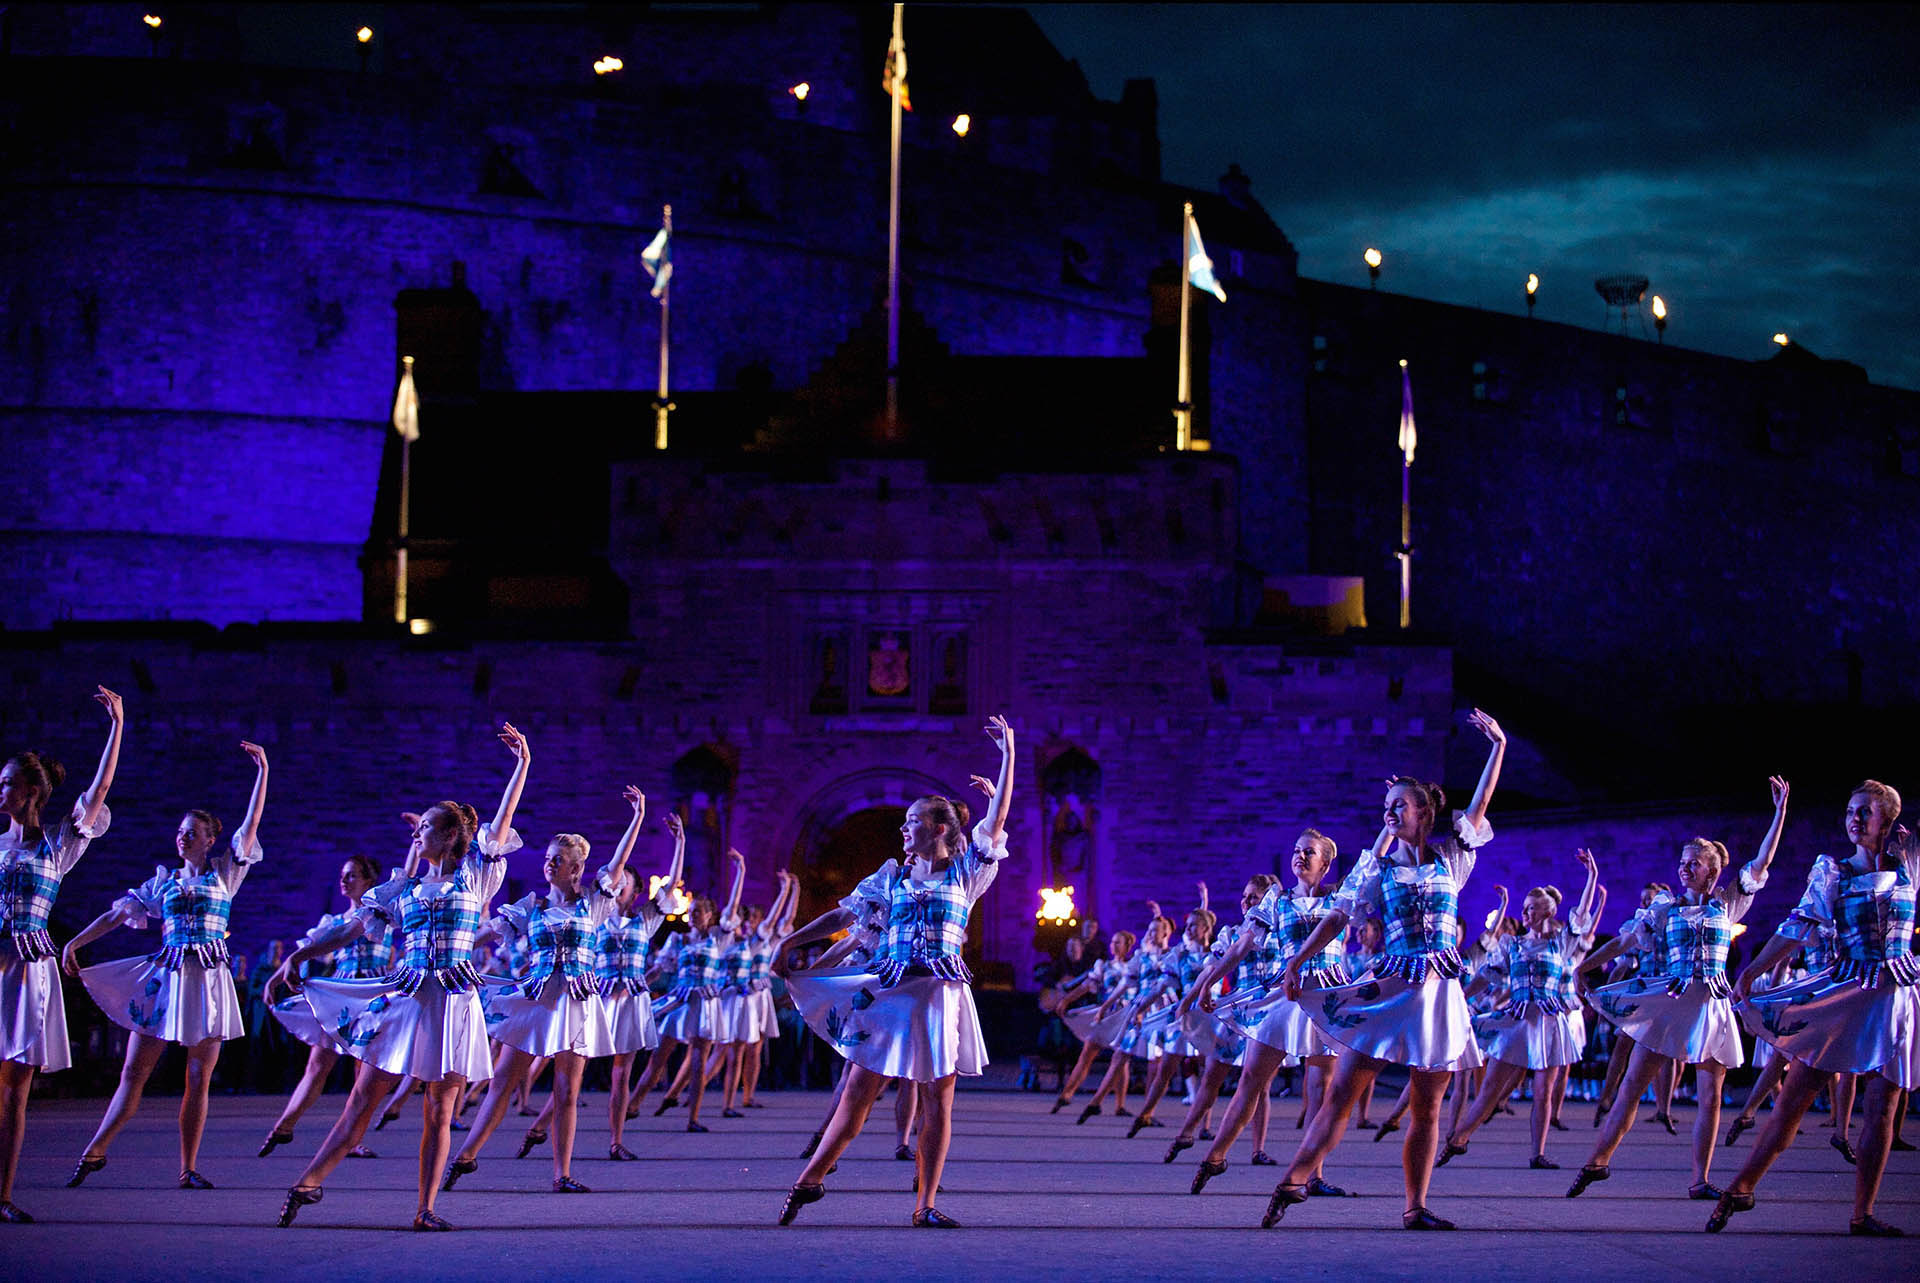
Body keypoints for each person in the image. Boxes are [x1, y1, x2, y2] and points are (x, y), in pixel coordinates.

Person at [266, 723, 529, 1231]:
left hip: (453, 1002)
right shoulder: (400, 888)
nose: (415, 835)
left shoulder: (476, 874)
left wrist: (521, 765)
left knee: (439, 1106)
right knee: (364, 1095)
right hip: (408, 998)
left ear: (450, 836)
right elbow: (349, 932)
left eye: (425, 828)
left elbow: (501, 823)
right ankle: (310, 1181)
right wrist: (298, 957)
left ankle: (425, 1207)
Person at [1257, 709, 1506, 1231]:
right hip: (1389, 986)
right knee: (1342, 1092)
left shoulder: (1451, 860)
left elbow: (1480, 805)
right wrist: (1298, 961)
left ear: (1422, 812)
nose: (1389, 813)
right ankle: (1294, 1180)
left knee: (1428, 1107)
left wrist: (1496, 747)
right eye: (1385, 807)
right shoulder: (1376, 868)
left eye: (1398, 806)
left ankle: (1415, 1206)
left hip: (1439, 993)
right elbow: (1337, 916)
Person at [774, 715, 1015, 1227]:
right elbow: (844, 915)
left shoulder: (967, 872)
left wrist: (1008, 755)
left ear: (940, 828)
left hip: (940, 996)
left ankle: (924, 1202)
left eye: (911, 822)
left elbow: (994, 824)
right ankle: (810, 1179)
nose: (902, 829)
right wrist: (792, 940)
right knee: (859, 1093)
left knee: (938, 1099)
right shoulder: (892, 877)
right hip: (892, 993)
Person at [1711, 780, 1917, 1237]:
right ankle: (1741, 1186)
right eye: (1850, 810)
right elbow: (1796, 924)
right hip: (1846, 995)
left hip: (1897, 995)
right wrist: (1754, 970)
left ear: (1888, 818)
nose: (1855, 818)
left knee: (1882, 1108)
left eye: (1865, 810)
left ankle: (1862, 1213)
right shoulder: (1833, 872)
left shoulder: (1909, 864)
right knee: (1794, 1098)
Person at [64, 739, 269, 1191]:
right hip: (168, 979)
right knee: (134, 1072)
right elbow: (117, 914)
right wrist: (76, 940)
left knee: (198, 1078)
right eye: (180, 832)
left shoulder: (225, 874)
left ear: (210, 839)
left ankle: (188, 1166)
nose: (183, 837)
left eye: (192, 833)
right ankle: (94, 1149)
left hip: (208, 981)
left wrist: (262, 772)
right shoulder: (164, 883)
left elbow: (251, 822)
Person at [1569, 780, 1789, 1202]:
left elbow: (1761, 863)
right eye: (1683, 861)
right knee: (1633, 1084)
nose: (1685, 868)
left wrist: (1778, 814)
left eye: (1694, 863)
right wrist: (1587, 964)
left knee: (1711, 1095)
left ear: (1713, 870)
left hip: (1710, 1005)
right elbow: (1625, 941)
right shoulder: (1664, 909)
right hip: (1670, 1002)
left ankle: (1699, 1179)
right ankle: (1597, 1161)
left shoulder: (1727, 904)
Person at [442, 786, 648, 1192]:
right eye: (547, 859)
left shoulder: (595, 903)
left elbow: (619, 863)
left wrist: (637, 818)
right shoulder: (531, 906)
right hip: (535, 1000)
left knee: (567, 1091)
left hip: (576, 1003)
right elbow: (487, 931)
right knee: (503, 1083)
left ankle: (562, 1173)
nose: (549, 865)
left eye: (558, 860)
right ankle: (465, 1156)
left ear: (576, 868)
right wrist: (454, 945)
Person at [0, 687, 123, 1223]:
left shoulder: (57, 845)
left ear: (31, 790)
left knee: (15, 1089)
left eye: (7, 783)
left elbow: (99, 790)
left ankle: (3, 1195)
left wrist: (117, 726)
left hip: (28, 971)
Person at [1182, 833, 1353, 1195]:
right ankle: (1215, 1157)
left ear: (1325, 863)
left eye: (1309, 852)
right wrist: (1209, 981)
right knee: (1251, 1081)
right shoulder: (1278, 899)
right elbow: (1243, 944)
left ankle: (1313, 1174)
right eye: (1296, 850)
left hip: (1327, 995)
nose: (1300, 856)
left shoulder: (1339, 897)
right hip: (1285, 995)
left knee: (1320, 1090)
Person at [1438, 851, 1601, 1170]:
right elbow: (1488, 975)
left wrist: (1591, 876)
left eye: (1531, 909)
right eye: (1524, 909)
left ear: (1548, 912)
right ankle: (1459, 1139)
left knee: (1544, 1091)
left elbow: (1582, 915)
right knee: (1490, 1089)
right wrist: (1460, 996)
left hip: (1551, 1020)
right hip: (1517, 1018)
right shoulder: (1513, 945)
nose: (1525, 914)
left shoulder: (1561, 943)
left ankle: (1537, 1153)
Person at [260, 851, 399, 1159]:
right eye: (343, 875)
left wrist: (415, 841)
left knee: (365, 1072)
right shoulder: (335, 922)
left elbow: (409, 872)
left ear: (369, 881)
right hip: (340, 992)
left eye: (352, 875)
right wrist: (274, 980)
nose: (344, 880)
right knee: (318, 1063)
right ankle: (284, 1125)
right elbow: (308, 949)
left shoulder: (384, 914)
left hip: (372, 993)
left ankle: (352, 1138)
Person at [1162, 874, 1282, 1165]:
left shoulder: (1278, 930)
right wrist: (1189, 998)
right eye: (1244, 896)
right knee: (1213, 1076)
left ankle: (1258, 1149)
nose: (1246, 902)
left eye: (1253, 897)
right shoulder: (1233, 933)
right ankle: (1186, 1133)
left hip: (1269, 1011)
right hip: (1239, 1011)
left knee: (1260, 1084)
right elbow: (1211, 968)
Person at [628, 852, 744, 1131]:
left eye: (699, 913)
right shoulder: (677, 939)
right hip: (680, 1001)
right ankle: (631, 1105)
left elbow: (732, 910)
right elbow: (660, 969)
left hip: (704, 1003)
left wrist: (739, 871)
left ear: (710, 916)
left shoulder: (719, 938)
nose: (693, 917)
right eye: (691, 913)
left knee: (696, 1063)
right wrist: (639, 981)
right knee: (658, 1059)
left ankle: (692, 1117)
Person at [1589, 882, 1680, 1130]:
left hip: (1667, 992)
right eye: (1642, 899)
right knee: (1622, 1045)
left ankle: (1664, 1108)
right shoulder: (1639, 927)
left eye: (1649, 899)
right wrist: (1604, 998)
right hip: (1643, 990)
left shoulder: (1673, 924)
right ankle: (1606, 1098)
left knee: (1666, 1052)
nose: (1644, 903)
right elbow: (1622, 964)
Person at [1050, 930, 1138, 1112]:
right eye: (1113, 942)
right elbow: (1085, 986)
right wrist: (1067, 1000)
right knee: (1087, 1053)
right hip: (1106, 1014)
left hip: (1125, 1016)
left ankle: (1119, 1105)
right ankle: (1067, 1094)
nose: (1114, 946)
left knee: (1121, 1059)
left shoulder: (1133, 967)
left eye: (1118, 943)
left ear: (1127, 946)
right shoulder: (1104, 966)